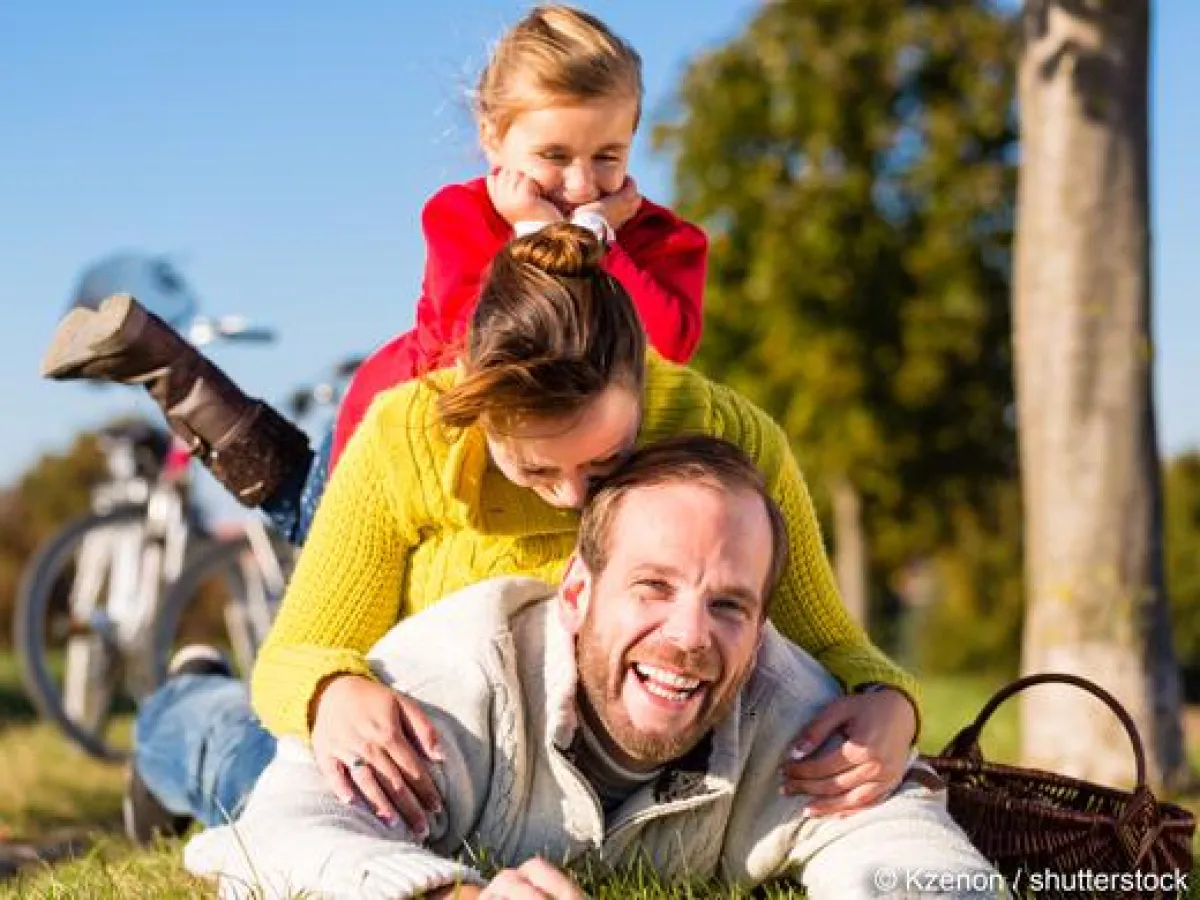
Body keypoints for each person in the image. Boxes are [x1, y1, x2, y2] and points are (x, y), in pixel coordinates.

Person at [126, 223, 921, 846]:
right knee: (247, 769)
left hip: (598, 779)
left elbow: (837, 646)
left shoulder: (730, 437)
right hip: (437, 770)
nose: (575, 497)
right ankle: (183, 704)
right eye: (537, 472)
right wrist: (331, 693)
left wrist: (890, 706)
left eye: (607, 462)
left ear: (642, 380)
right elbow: (296, 653)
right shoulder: (408, 435)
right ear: (475, 398)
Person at [177, 436, 1003, 899]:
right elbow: (271, 840)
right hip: (302, 727)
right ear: (576, 590)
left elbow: (911, 854)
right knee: (219, 749)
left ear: (761, 624)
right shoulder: (446, 678)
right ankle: (188, 688)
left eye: (729, 605)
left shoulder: (792, 711)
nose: (688, 637)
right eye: (653, 587)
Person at [38, 3, 706, 546]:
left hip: (531, 456)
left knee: (298, 496)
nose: (581, 183)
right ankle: (166, 366)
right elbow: (468, 350)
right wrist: (539, 232)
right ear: (493, 136)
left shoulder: (656, 240)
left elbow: (670, 343)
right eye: (554, 154)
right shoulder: (462, 218)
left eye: (608, 155)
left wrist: (599, 238)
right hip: (392, 424)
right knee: (305, 517)